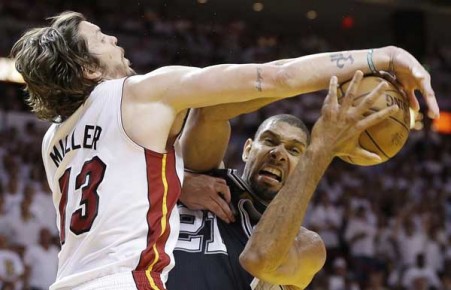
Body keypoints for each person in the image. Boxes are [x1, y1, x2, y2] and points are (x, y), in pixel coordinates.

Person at [10, 10, 439, 290]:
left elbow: (115, 193)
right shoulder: (137, 93)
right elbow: (271, 78)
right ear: (88, 68)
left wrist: (179, 183)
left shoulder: (55, 140)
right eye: (102, 39)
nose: (115, 40)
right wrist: (378, 57)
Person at [168, 71, 400, 289]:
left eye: (294, 150)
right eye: (269, 141)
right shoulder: (204, 175)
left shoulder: (306, 244)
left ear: (306, 164)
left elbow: (259, 259)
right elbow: (210, 110)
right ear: (248, 149)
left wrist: (321, 150)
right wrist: (312, 78)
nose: (278, 153)